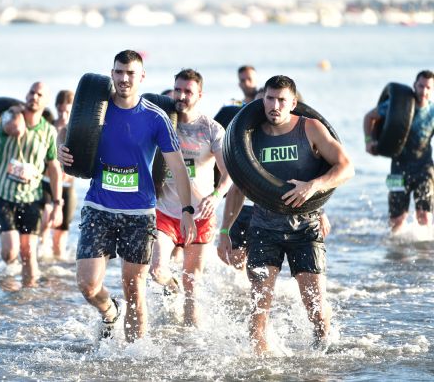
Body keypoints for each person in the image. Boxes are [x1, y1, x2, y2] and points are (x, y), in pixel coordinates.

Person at [58, 50, 196, 342]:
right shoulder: (98, 109)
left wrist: (187, 210)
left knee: (134, 287)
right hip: (98, 206)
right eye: (119, 72)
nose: (124, 78)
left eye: (130, 73)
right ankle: (110, 312)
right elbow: (65, 132)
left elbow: (178, 168)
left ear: (141, 77)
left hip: (139, 213)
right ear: (112, 74)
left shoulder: (155, 118)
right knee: (87, 285)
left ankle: (135, 358)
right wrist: (61, 148)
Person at [217, 75, 354, 354]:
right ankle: (262, 368)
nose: (275, 105)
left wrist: (314, 186)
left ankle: (321, 358)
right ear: (262, 100)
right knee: (259, 309)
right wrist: (224, 231)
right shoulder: (250, 137)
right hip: (264, 228)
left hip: (305, 228)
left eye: (282, 100)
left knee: (315, 309)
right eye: (270, 98)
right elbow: (238, 188)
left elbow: (346, 167)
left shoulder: (310, 128)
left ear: (293, 103)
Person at [149, 69, 231, 327]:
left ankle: (189, 344)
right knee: (156, 270)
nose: (181, 96)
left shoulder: (210, 129)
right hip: (166, 211)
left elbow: (229, 172)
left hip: (200, 216)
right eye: (178, 90)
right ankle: (170, 286)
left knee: (191, 285)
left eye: (188, 92)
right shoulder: (162, 123)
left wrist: (217, 196)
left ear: (200, 95)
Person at [0, 81, 63, 287]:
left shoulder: (49, 132)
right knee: (11, 251)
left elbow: (54, 168)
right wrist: (16, 114)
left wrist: (58, 203)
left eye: (40, 94)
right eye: (32, 92)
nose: (35, 97)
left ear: (46, 101)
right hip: (3, 193)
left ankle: (27, 300)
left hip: (32, 197)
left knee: (28, 253)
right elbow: (11, 126)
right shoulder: (11, 116)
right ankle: (7, 283)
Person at [363, 70, 434, 233]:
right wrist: (369, 141)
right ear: (415, 85)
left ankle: (425, 256)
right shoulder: (396, 105)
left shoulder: (432, 112)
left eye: (428, 88)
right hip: (398, 167)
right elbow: (369, 118)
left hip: (424, 167)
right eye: (421, 86)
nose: (424, 91)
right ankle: (396, 255)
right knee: (396, 222)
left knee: (425, 218)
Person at [41, 90, 77, 260]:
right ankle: (40, 258)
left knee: (60, 239)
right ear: (56, 108)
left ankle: (57, 271)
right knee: (46, 220)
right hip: (46, 182)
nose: (63, 115)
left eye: (67, 111)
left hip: (68, 186)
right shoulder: (49, 126)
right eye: (60, 110)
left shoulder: (77, 128)